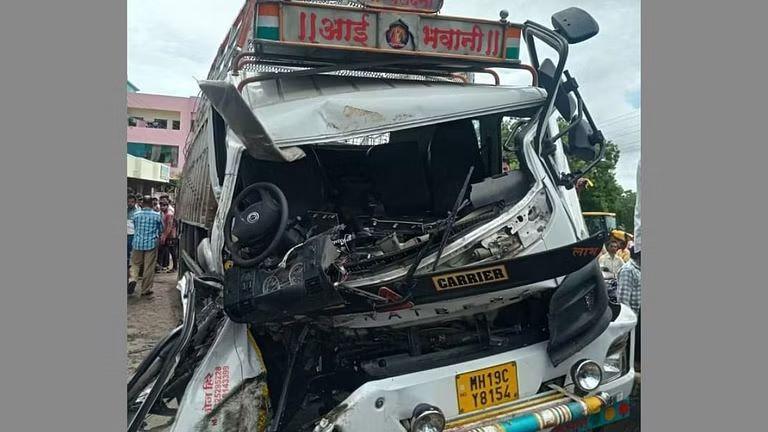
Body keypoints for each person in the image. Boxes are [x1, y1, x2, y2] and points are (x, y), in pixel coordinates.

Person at [128, 196, 164, 297]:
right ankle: (145, 289)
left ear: (142, 203)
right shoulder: (157, 215)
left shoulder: (136, 215)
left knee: (135, 264)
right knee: (149, 267)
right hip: (151, 244)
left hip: (137, 243)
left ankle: (133, 279)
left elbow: (135, 227)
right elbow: (161, 229)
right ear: (152, 204)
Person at [617, 245, 641, 367]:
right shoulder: (628, 270)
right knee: (633, 349)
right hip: (634, 318)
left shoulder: (640, 269)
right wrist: (628, 323)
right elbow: (623, 300)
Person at [158, 196, 178, 273]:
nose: (162, 207)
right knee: (163, 250)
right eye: (161, 205)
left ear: (167, 206)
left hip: (170, 236)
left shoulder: (169, 214)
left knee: (172, 251)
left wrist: (164, 236)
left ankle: (175, 267)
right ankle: (161, 266)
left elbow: (169, 227)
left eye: (164, 205)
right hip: (168, 235)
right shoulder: (165, 213)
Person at [127, 194, 139, 278]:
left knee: (132, 256)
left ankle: (132, 275)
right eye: (128, 201)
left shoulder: (137, 212)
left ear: (135, 202)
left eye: (132, 202)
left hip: (133, 236)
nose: (130, 203)